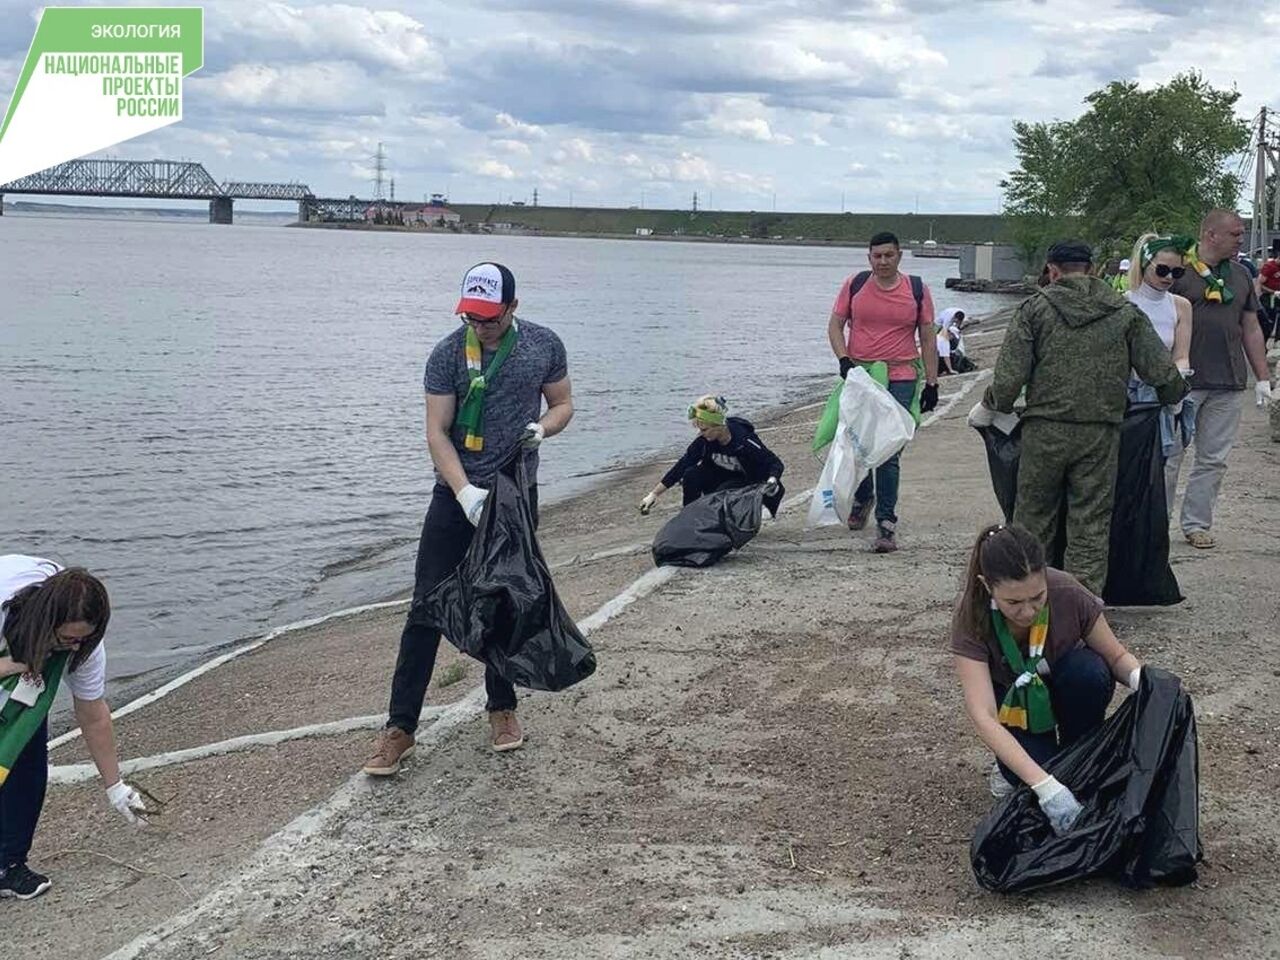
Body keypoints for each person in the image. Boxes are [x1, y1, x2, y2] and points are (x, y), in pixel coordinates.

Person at [363, 262, 573, 776]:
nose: (480, 327)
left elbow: (564, 403)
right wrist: (463, 493)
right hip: (457, 494)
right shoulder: (447, 354)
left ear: (512, 308)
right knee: (426, 608)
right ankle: (400, 729)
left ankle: (502, 709)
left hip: (514, 493)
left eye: (490, 319)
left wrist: (543, 429)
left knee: (503, 600)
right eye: (471, 318)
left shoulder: (544, 345)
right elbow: (437, 432)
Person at [968, 241, 1187, 594]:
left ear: (1052, 270)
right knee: (1090, 523)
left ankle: (1028, 598)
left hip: (1044, 432)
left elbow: (1009, 379)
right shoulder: (1124, 312)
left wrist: (992, 406)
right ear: (1092, 269)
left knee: (1034, 521)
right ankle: (1082, 605)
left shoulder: (1034, 309)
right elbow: (1161, 372)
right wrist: (1174, 397)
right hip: (1100, 434)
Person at [951, 524, 1143, 825]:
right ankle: (1021, 768)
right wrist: (1047, 787)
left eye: (1037, 597)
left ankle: (1078, 751)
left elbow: (1115, 656)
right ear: (987, 586)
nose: (1028, 612)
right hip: (1014, 706)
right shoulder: (971, 615)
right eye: (1013, 603)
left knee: (1090, 671)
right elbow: (983, 715)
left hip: (1066, 686)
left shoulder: (1067, 592)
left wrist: (1140, 679)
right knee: (1032, 782)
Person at [1, 555, 147, 900]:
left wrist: (116, 788)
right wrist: (12, 664)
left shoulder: (84, 647)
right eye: (67, 639)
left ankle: (7, 865)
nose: (75, 648)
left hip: (23, 667)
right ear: (46, 622)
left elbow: (93, 714)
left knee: (27, 758)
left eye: (83, 639)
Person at [826, 230, 940, 553]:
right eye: (877, 256)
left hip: (902, 375)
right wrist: (843, 359)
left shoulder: (916, 290)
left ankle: (886, 524)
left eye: (889, 255)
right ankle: (864, 496)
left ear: (899, 256)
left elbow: (928, 337)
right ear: (869, 258)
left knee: (889, 451)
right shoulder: (855, 285)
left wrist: (932, 382)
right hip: (861, 375)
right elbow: (835, 325)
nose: (883, 261)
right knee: (860, 444)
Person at [1166, 210, 1273, 549]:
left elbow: (1251, 327)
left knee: (1213, 459)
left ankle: (1197, 524)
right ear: (1211, 235)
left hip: (1227, 380)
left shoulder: (1241, 275)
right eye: (1236, 234)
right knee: (1170, 457)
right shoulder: (1177, 271)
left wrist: (1263, 378)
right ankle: (1156, 522)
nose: (1242, 239)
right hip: (1183, 381)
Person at [1124, 234, 1196, 511]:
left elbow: (1181, 353)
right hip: (1129, 397)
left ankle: (1155, 537)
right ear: (1144, 264)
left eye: (1177, 272)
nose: (1169, 277)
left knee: (1163, 471)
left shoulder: (1180, 306)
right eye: (1162, 270)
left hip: (1164, 395)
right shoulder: (1124, 302)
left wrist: (1177, 385)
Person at [639, 396, 784, 518]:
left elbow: (774, 463)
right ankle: (689, 517)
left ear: (718, 426)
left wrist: (772, 480)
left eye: (704, 430)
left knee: (721, 494)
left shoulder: (744, 440)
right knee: (691, 474)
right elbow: (681, 466)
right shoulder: (704, 441)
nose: (701, 434)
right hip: (719, 477)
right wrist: (653, 494)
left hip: (747, 481)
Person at [1257, 240, 1279, 344]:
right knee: (1268, 322)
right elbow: (1260, 284)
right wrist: (1273, 292)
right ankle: (1262, 344)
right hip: (1269, 298)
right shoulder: (1270, 267)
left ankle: (1277, 341)